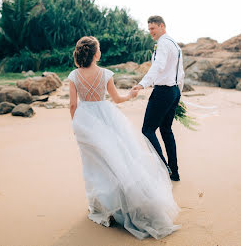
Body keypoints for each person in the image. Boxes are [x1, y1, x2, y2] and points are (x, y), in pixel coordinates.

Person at [68, 36, 180, 240]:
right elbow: (117, 99)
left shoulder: (74, 76)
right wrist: (131, 95)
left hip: (85, 121)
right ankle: (119, 203)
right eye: (99, 48)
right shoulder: (105, 74)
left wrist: (76, 124)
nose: (100, 51)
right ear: (95, 53)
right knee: (117, 159)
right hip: (107, 117)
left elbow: (73, 105)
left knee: (94, 165)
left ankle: (101, 206)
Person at [132, 16, 185, 181]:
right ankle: (174, 172)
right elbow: (180, 72)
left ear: (162, 26)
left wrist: (142, 84)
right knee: (166, 130)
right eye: (149, 29)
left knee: (147, 130)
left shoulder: (163, 43)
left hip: (163, 92)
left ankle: (164, 168)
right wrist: (178, 94)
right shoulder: (175, 44)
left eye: (153, 28)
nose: (150, 32)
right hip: (174, 91)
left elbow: (158, 66)